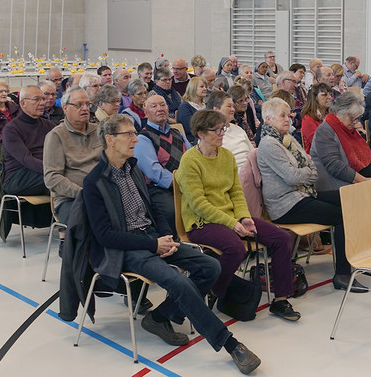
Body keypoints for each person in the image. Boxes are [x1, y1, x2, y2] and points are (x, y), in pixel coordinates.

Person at [82, 114, 261, 374]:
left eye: (135, 133)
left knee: (210, 267)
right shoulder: (94, 182)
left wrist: (167, 236)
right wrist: (153, 244)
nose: (135, 138)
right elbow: (104, 235)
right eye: (129, 134)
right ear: (110, 140)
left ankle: (159, 317)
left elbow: (153, 206)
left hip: (154, 238)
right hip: (128, 249)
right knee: (178, 281)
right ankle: (229, 343)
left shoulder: (133, 168)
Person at [177, 109, 300, 322]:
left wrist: (244, 217)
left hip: (230, 217)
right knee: (235, 248)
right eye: (215, 130)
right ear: (200, 133)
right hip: (201, 222)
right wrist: (234, 224)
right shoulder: (189, 161)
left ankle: (280, 299)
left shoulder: (225, 156)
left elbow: (236, 192)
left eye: (222, 128)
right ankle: (216, 289)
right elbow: (199, 205)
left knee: (281, 238)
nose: (221, 133)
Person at [257, 98, 361, 293]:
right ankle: (342, 275)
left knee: (347, 197)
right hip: (285, 205)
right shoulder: (269, 144)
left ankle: (356, 258)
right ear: (268, 119)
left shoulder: (288, 139)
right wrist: (306, 173)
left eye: (289, 115)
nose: (288, 119)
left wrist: (304, 173)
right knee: (340, 215)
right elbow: (292, 176)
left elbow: (311, 167)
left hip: (302, 194)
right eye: (282, 115)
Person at [309, 91, 371, 250]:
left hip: (354, 182)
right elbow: (335, 167)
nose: (356, 122)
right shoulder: (326, 131)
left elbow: (366, 161)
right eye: (352, 118)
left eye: (357, 118)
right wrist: (365, 182)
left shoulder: (350, 130)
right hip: (333, 187)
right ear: (338, 113)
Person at [43, 87, 102, 224]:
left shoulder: (98, 131)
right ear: (65, 108)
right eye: (79, 105)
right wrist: (82, 193)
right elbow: (52, 177)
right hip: (71, 198)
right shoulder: (56, 136)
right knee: (91, 219)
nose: (85, 108)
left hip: (102, 194)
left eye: (87, 104)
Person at [135, 94, 191, 235]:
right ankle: (178, 244)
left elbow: (193, 158)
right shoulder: (142, 139)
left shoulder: (177, 132)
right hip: (160, 189)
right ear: (146, 112)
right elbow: (155, 173)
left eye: (162, 105)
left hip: (186, 183)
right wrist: (182, 184)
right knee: (173, 211)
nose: (160, 109)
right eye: (154, 106)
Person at [1, 85, 54, 196]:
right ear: (23, 103)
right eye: (36, 99)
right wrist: (54, 171)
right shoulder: (11, 129)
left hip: (44, 171)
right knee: (58, 181)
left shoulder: (49, 125)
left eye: (43, 99)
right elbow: (26, 159)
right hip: (18, 176)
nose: (42, 103)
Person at [205, 91, 254, 172]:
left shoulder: (238, 129)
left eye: (233, 106)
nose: (233, 109)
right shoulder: (208, 135)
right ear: (216, 110)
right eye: (229, 106)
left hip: (251, 172)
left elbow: (252, 154)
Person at [178, 77, 208, 145]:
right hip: (193, 140)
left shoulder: (206, 105)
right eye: (201, 86)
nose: (205, 89)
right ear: (193, 88)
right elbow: (191, 127)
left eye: (205, 87)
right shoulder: (185, 107)